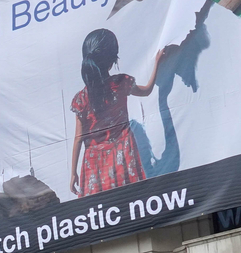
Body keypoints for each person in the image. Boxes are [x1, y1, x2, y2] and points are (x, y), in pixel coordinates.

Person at [68, 29, 182, 196]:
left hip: (94, 162)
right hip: (123, 152)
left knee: (100, 209)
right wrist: (157, 63)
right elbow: (147, 90)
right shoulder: (121, 83)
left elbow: (78, 139)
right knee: (129, 200)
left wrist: (73, 173)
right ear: (113, 58)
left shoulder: (81, 99)